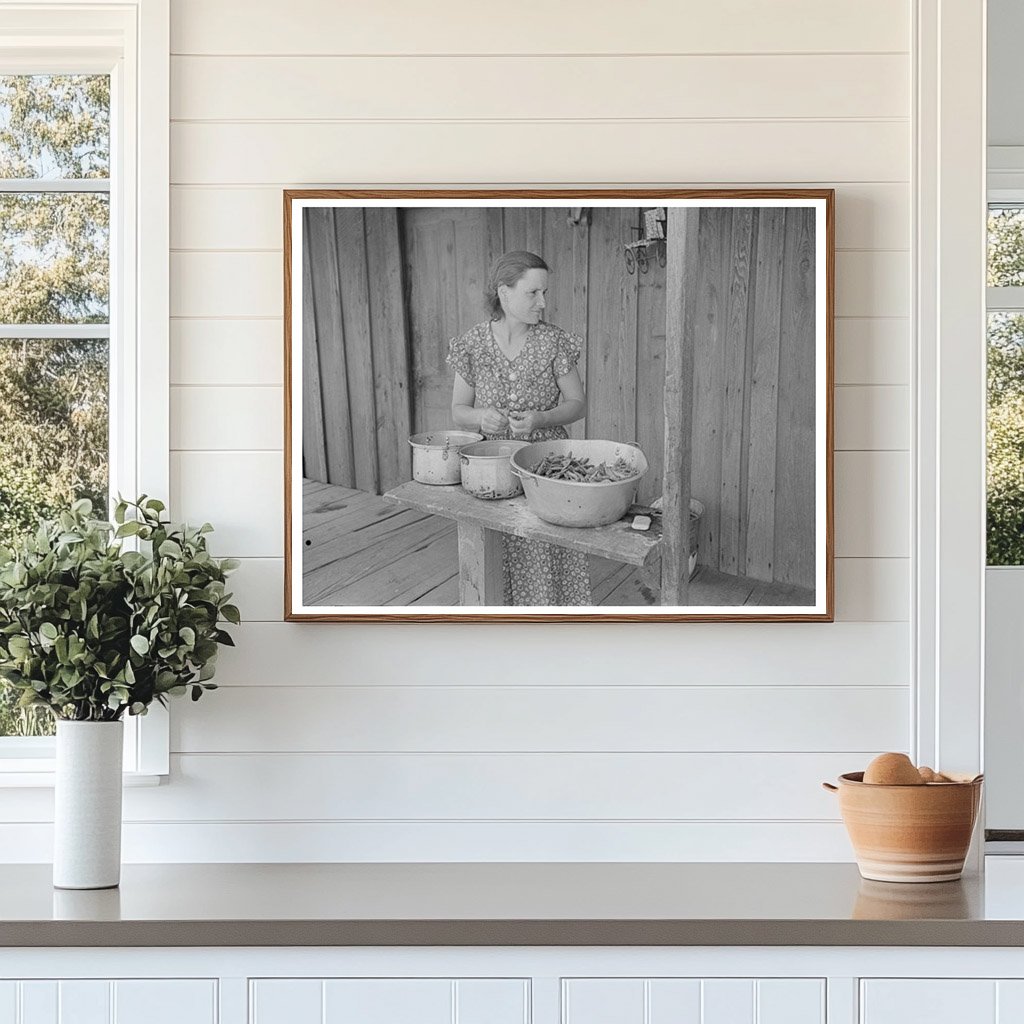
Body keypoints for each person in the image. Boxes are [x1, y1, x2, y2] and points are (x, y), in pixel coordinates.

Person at [447, 250, 591, 606]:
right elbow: (458, 410)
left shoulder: (554, 341)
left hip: (545, 467)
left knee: (544, 551)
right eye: (533, 292)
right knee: (492, 552)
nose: (543, 302)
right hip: (490, 468)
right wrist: (481, 418)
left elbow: (577, 404)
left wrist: (541, 418)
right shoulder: (473, 345)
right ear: (503, 292)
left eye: (545, 293)